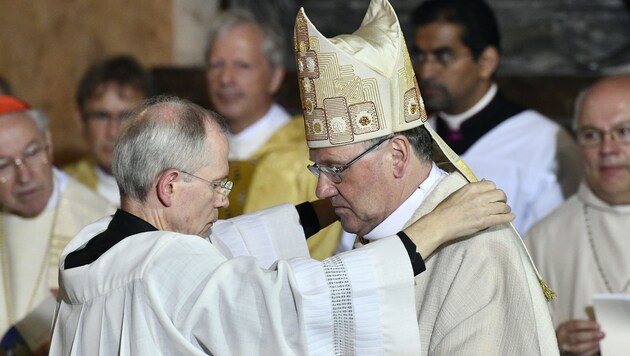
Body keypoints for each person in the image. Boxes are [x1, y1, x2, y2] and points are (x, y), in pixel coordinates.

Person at [49, 96, 513, 355]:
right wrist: (434, 227)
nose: (224, 199)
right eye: (217, 184)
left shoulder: (92, 247)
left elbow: (225, 250)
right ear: (170, 186)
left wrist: (335, 202)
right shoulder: (167, 267)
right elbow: (288, 305)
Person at [295, 0, 559, 353]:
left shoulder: (476, 249)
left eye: (336, 169)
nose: (321, 189)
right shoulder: (374, 230)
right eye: (319, 167)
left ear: (398, 156)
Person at [411, 0, 582, 234]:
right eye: (420, 56)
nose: (426, 71)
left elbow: (556, 243)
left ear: (486, 62)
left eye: (443, 56)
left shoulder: (545, 142)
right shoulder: (409, 139)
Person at [205, 9, 342, 259]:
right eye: (216, 65)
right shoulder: (194, 152)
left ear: (275, 77)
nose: (225, 79)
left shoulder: (310, 157)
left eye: (242, 66)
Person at [525, 74, 630, 355]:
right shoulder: (542, 239)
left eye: (624, 132)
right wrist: (552, 344)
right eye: (592, 135)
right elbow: (513, 339)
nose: (608, 149)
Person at [0, 95, 113, 355]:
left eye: (31, 153)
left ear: (48, 144)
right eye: (3, 164)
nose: (24, 176)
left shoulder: (100, 223)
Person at [63, 55, 153, 207]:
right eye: (101, 116)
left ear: (150, 119)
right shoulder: (61, 191)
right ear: (80, 121)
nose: (113, 132)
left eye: (126, 116)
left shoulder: (176, 187)